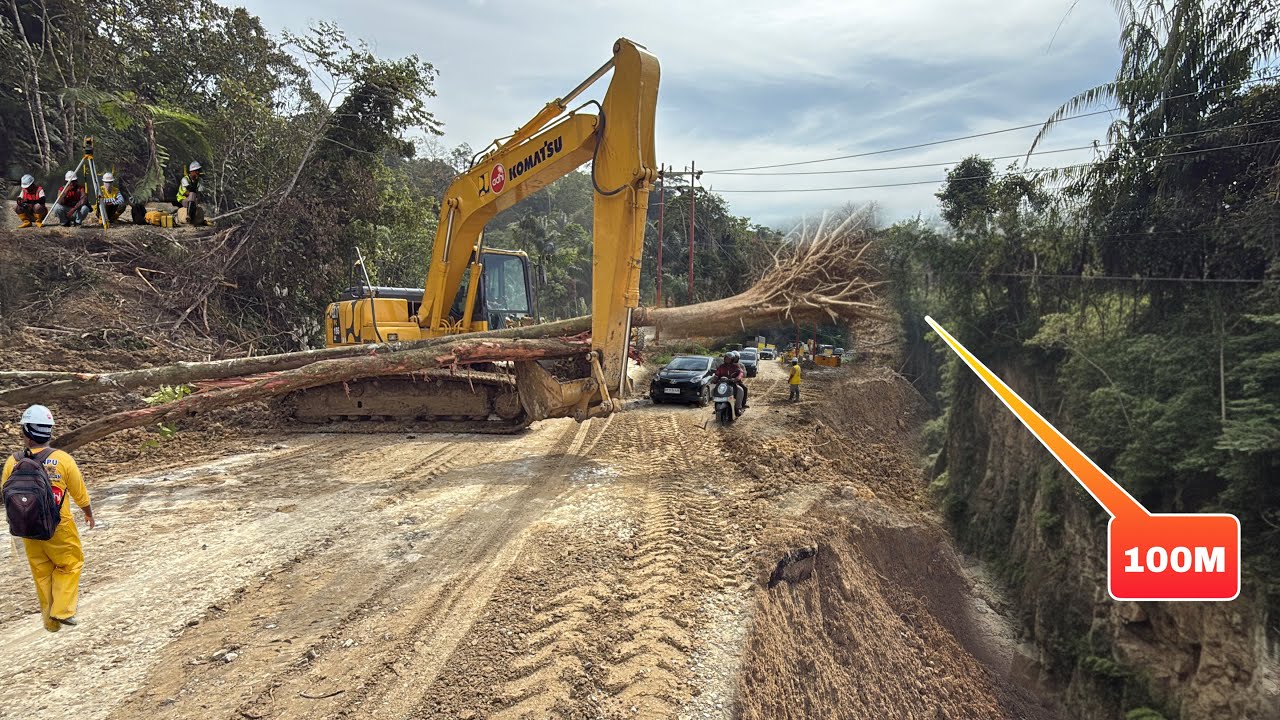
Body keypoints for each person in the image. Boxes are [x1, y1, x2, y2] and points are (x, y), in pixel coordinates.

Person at [1, 405, 94, 633]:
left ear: (25, 432)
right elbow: (78, 491)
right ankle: (63, 611)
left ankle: (50, 623)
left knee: (41, 572)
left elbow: (6, 492)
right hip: (58, 526)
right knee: (69, 564)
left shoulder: (13, 462)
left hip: (26, 527)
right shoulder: (62, 459)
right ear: (50, 432)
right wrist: (88, 512)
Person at [175, 160, 205, 225]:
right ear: (191, 171)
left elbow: (199, 193)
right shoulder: (185, 179)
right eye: (196, 171)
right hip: (184, 199)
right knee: (192, 193)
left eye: (198, 170)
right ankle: (188, 215)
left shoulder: (200, 180)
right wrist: (195, 182)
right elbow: (187, 192)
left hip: (194, 200)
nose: (197, 172)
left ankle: (193, 218)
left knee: (193, 196)